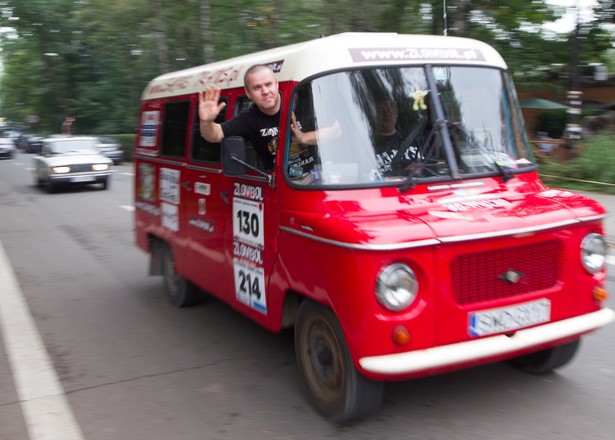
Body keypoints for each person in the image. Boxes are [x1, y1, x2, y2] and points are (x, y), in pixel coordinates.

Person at [199, 64, 316, 170]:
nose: (265, 91)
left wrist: (303, 137)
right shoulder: (248, 119)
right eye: (257, 87)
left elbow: (333, 130)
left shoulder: (301, 102)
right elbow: (214, 135)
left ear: (276, 83)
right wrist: (206, 122)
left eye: (268, 84)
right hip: (280, 184)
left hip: (319, 174)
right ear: (248, 93)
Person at [373, 98, 421, 174]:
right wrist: (404, 173)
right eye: (381, 111)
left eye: (389, 109)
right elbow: (369, 177)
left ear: (396, 113)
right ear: (374, 116)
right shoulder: (369, 146)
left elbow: (430, 162)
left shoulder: (412, 139)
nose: (386, 114)